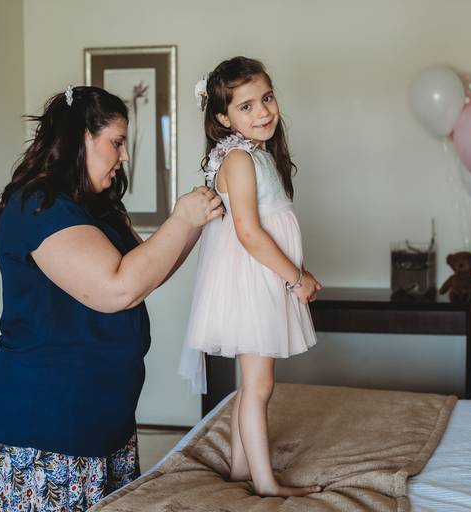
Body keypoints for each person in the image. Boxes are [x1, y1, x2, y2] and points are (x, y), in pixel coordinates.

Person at [0, 85, 223, 511]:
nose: (124, 156)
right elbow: (118, 288)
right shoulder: (38, 206)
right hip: (48, 422)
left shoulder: (96, 207)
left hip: (104, 416)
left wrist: (195, 224)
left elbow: (147, 274)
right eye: (117, 142)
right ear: (80, 139)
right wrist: (181, 217)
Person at [180, 57, 322, 498]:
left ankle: (242, 467)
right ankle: (265, 483)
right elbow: (248, 232)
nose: (263, 112)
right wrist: (295, 278)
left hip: (261, 276)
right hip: (255, 279)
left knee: (252, 384)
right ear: (223, 117)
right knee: (259, 386)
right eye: (246, 107)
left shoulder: (251, 154)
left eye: (266, 98)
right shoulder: (239, 158)